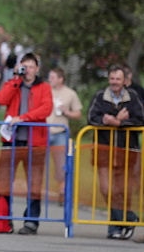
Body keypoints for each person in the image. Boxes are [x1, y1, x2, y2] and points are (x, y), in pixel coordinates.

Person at [0, 52, 53, 235]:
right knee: (4, 180)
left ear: (37, 69)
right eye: (24, 66)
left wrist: (24, 118)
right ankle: (5, 219)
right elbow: (1, 99)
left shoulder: (44, 87)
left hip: (34, 142)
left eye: (31, 67)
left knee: (34, 183)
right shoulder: (13, 84)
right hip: (11, 141)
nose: (27, 70)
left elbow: (46, 108)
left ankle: (31, 221)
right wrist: (15, 80)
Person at [87, 64, 144, 240]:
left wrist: (120, 123)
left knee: (122, 190)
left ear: (124, 80)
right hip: (104, 148)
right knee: (106, 188)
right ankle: (128, 217)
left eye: (118, 79)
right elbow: (91, 117)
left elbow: (140, 119)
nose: (114, 82)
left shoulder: (132, 97)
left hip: (126, 149)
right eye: (112, 78)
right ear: (108, 79)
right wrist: (107, 121)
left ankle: (115, 228)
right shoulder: (100, 96)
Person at [46, 67, 83, 201]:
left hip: (60, 132)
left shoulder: (70, 94)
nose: (50, 80)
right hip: (44, 131)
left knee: (61, 163)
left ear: (61, 79)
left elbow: (78, 114)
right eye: (49, 77)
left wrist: (67, 112)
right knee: (37, 162)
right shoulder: (45, 90)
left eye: (53, 77)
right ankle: (36, 190)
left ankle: (63, 191)